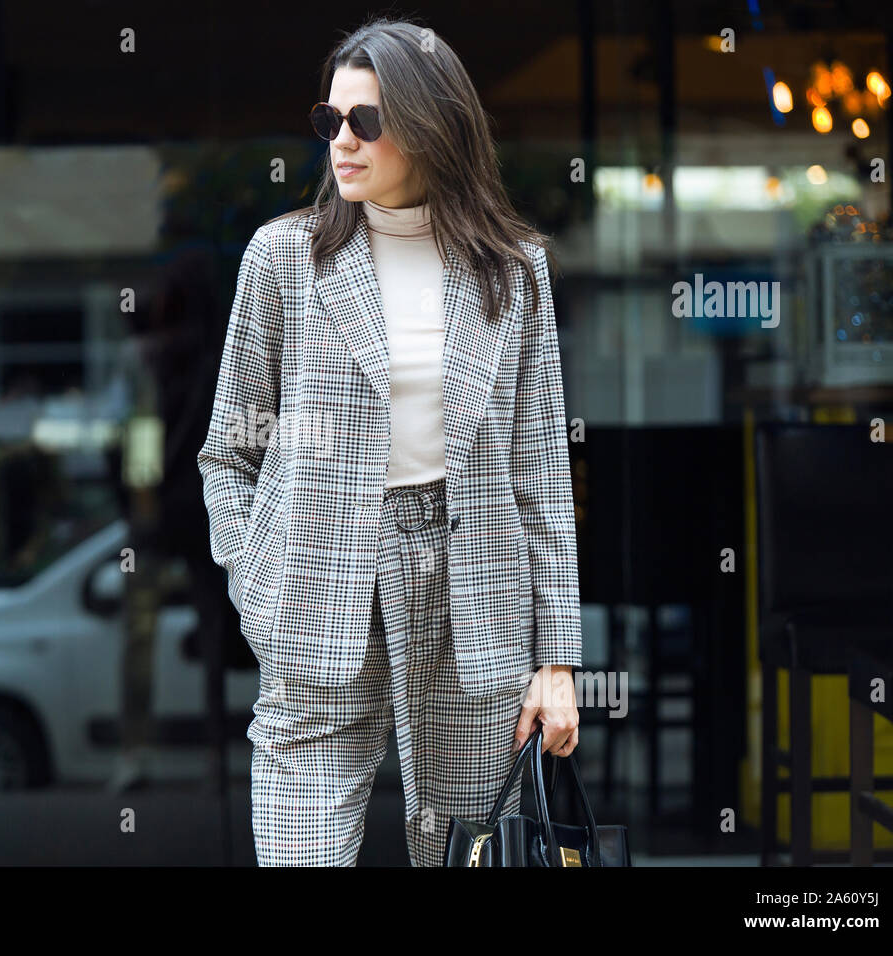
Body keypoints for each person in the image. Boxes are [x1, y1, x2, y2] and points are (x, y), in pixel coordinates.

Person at [197, 16, 582, 867]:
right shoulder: (283, 258)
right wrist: (258, 577)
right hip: (314, 581)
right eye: (328, 120)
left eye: (364, 121)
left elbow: (540, 474)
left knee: (472, 851)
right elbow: (229, 451)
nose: (342, 140)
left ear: (430, 124)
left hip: (472, 591)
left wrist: (557, 660)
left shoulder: (512, 270)